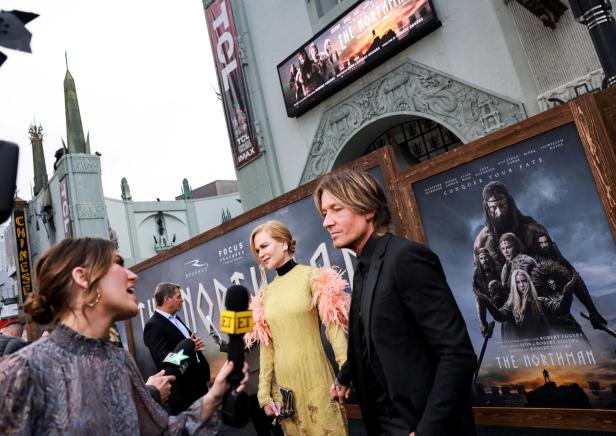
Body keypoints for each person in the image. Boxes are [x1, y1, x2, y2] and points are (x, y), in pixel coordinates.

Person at [0, 237, 248, 434]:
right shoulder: (24, 370)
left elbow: (163, 431)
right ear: (82, 277)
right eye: (117, 264)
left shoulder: (120, 361)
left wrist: (215, 395)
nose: (133, 275)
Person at [315, 170, 477, 436]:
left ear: (368, 209)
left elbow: (457, 354)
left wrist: (427, 430)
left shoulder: (405, 258)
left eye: (336, 209)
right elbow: (367, 341)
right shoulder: (363, 268)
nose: (327, 222)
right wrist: (345, 376)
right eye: (324, 213)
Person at [245, 220, 349, 436]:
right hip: (285, 388)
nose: (260, 254)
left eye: (264, 246)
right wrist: (264, 394)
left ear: (284, 243)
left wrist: (346, 370)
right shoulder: (265, 295)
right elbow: (267, 347)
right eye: (257, 250)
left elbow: (334, 328)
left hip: (317, 378)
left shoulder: (312, 276)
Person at [144, 282, 211, 415]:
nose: (182, 300)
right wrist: (189, 348)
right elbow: (164, 358)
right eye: (178, 296)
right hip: (184, 391)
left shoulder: (175, 318)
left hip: (198, 384)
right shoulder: (153, 326)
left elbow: (184, 344)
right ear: (166, 299)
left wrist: (191, 343)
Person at [534, 232, 607, 328]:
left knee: (576, 279)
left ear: (549, 242)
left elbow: (565, 263)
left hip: (558, 278)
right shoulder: (537, 257)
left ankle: (593, 313)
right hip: (548, 285)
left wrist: (574, 276)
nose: (544, 245)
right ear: (538, 245)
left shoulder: (553, 248)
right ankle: (593, 314)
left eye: (545, 242)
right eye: (541, 243)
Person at [474, 181, 547, 266]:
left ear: (509, 203)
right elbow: (481, 275)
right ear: (487, 208)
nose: (499, 212)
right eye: (493, 208)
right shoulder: (482, 242)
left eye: (502, 205)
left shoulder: (533, 229)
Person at [471, 248, 507, 337]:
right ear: (478, 260)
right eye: (481, 258)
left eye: (486, 258)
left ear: (490, 258)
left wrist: (497, 286)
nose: (484, 261)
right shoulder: (477, 276)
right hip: (495, 308)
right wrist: (483, 323)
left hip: (508, 304)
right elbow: (480, 301)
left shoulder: (499, 269)